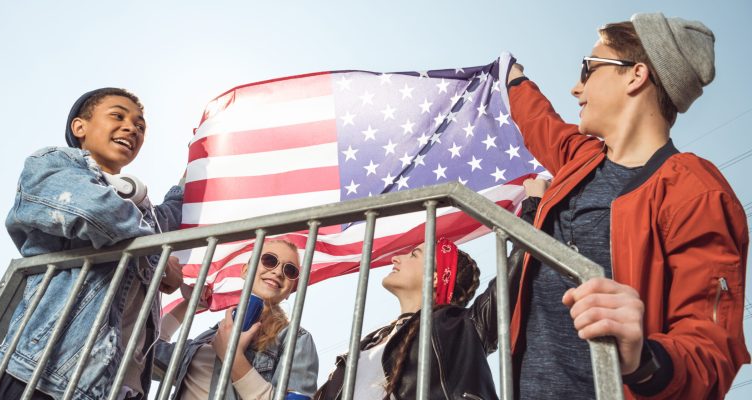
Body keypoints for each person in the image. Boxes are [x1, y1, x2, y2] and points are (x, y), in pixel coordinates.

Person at [506, 13, 749, 399]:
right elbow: (541, 123)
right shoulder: (581, 160)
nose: (575, 87)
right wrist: (513, 78)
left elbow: (711, 347)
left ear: (636, 75)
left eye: (588, 69)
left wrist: (644, 360)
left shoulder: (694, 190)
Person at [0, 88, 185, 400]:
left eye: (140, 126)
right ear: (80, 127)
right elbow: (97, 212)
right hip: (44, 377)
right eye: (118, 116)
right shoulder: (52, 163)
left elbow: (177, 210)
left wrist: (200, 161)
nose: (132, 128)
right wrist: (159, 253)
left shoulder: (145, 215)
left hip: (115, 389)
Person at [315, 238, 499, 400]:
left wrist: (528, 210)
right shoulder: (371, 341)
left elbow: (513, 279)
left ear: (434, 278)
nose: (396, 258)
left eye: (413, 255)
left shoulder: (460, 329)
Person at [154, 239, 319, 400]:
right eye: (269, 260)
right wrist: (189, 304)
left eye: (290, 271)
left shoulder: (295, 339)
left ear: (291, 289)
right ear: (245, 271)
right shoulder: (207, 339)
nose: (277, 272)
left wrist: (232, 358)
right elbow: (146, 350)